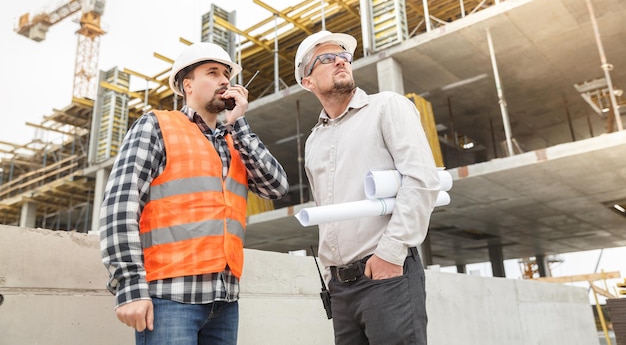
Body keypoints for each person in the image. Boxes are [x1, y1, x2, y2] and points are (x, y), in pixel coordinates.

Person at [100, 42, 289, 345]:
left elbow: (276, 186)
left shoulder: (234, 141)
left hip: (225, 300)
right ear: (187, 85)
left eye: (227, 75)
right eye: (212, 73)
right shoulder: (157, 125)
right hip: (169, 297)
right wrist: (129, 285)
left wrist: (238, 124)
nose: (225, 81)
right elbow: (120, 206)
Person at [294, 30, 441, 345]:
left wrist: (391, 253)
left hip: (387, 274)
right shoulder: (314, 142)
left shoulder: (387, 107)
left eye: (343, 56)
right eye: (325, 58)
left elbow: (421, 180)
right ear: (307, 82)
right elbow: (327, 209)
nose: (339, 61)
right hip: (341, 288)